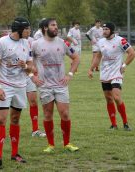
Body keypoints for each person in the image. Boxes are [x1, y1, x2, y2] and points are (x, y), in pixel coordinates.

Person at [31, 18, 80, 153]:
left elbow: (76, 58)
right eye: (53, 25)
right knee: (48, 114)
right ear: (45, 28)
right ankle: (51, 145)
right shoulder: (35, 44)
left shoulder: (63, 43)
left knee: (64, 114)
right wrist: (32, 76)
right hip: (45, 85)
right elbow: (27, 62)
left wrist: (69, 74)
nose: (56, 27)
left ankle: (67, 143)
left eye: (56, 25)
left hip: (61, 85)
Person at [0, 17, 33, 168]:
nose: (29, 31)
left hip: (20, 86)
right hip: (5, 86)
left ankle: (15, 154)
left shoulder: (27, 43)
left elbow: (32, 68)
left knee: (15, 119)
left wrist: (25, 65)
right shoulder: (1, 42)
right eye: (27, 28)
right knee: (2, 119)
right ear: (19, 30)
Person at [88, 22, 135, 131]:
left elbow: (132, 53)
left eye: (106, 29)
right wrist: (91, 69)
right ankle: (113, 125)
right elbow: (98, 57)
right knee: (109, 99)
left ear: (112, 30)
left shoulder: (120, 40)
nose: (104, 31)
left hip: (116, 73)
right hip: (105, 73)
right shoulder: (100, 42)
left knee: (117, 97)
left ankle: (125, 123)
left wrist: (124, 65)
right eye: (103, 29)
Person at [26, 36, 46, 137]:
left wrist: (34, 68)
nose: (28, 31)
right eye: (26, 29)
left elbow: (34, 57)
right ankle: (12, 130)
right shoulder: (9, 42)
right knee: (15, 105)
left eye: (29, 29)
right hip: (16, 77)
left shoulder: (32, 41)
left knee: (33, 101)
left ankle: (35, 130)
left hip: (30, 76)